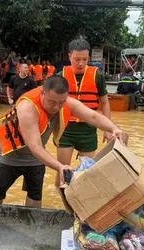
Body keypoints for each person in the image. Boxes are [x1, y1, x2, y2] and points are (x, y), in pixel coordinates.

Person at [0, 76, 128, 208]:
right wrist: (60, 166)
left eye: (61, 102)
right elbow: (35, 146)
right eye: (52, 102)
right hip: (10, 154)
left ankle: (32, 227)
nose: (56, 107)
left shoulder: (67, 103)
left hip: (37, 158)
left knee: (35, 194)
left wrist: (114, 128)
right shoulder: (27, 107)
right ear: (42, 94)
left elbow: (93, 117)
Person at [56, 39, 111, 180]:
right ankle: (62, 200)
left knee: (86, 175)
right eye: (76, 59)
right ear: (69, 56)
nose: (81, 63)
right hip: (65, 130)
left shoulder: (97, 76)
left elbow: (104, 103)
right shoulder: (59, 75)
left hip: (88, 130)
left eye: (85, 59)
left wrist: (107, 129)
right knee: (62, 173)